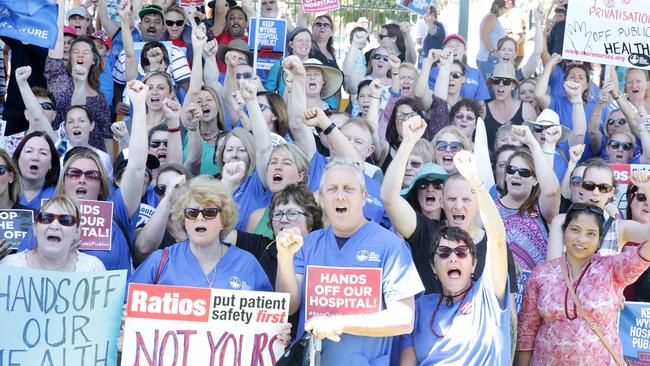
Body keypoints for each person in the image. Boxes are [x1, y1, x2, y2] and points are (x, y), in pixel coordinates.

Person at [276, 157, 424, 364]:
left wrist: (340, 323)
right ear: (320, 199)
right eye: (332, 189)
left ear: (363, 197)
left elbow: (403, 319)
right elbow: (289, 306)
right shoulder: (306, 245)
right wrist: (284, 258)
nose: (340, 196)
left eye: (348, 189)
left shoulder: (390, 246)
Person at [18, 80, 151, 273]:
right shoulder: (45, 220)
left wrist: (138, 107)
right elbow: (23, 268)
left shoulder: (118, 210)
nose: (82, 179)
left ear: (101, 183)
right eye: (74, 173)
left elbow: (137, 167)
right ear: (63, 183)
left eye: (92, 175)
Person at [399, 150, 511, 365]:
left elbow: (497, 238)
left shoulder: (487, 296)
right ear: (433, 266)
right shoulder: (420, 307)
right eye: (443, 252)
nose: (453, 258)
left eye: (461, 252)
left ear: (474, 263)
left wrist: (474, 181)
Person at [517, 193, 650, 365]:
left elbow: (644, 254)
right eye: (575, 230)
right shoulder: (542, 274)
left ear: (599, 239)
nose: (581, 239)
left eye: (591, 233)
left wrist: (647, 190)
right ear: (564, 231)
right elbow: (526, 334)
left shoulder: (612, 269)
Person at [130, 176, 272, 290]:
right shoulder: (160, 261)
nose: (199, 218)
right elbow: (129, 302)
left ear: (224, 219)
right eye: (192, 213)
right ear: (184, 219)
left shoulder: (246, 264)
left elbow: (267, 315)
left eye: (209, 212)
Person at [496, 126, 561, 271]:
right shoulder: (490, 209)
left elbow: (551, 191)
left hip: (536, 286)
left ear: (535, 180)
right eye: (511, 170)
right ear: (506, 175)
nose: (516, 175)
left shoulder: (541, 208)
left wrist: (532, 143)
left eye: (524, 172)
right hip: (501, 288)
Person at [2, 195, 105, 272]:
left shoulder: (93, 269)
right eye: (46, 218)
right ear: (34, 228)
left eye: (66, 220)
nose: (54, 226)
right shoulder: (9, 266)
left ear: (77, 231)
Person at [484, 62, 537, 149]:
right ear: (492, 85)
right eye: (496, 81)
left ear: (513, 86)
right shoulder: (483, 111)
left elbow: (534, 144)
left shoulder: (527, 110)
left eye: (506, 81)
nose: (501, 84)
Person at [13, 132, 60, 211]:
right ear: (18, 158)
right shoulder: (5, 190)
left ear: (51, 164)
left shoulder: (59, 194)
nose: (35, 157)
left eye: (43, 153)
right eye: (29, 151)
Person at [477, 0, 507, 78]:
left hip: (489, 58)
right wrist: (493, 51)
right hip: (488, 58)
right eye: (505, 8)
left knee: (492, 84)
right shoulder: (491, 17)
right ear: (500, 8)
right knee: (490, 85)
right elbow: (484, 34)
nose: (505, 11)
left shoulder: (492, 17)